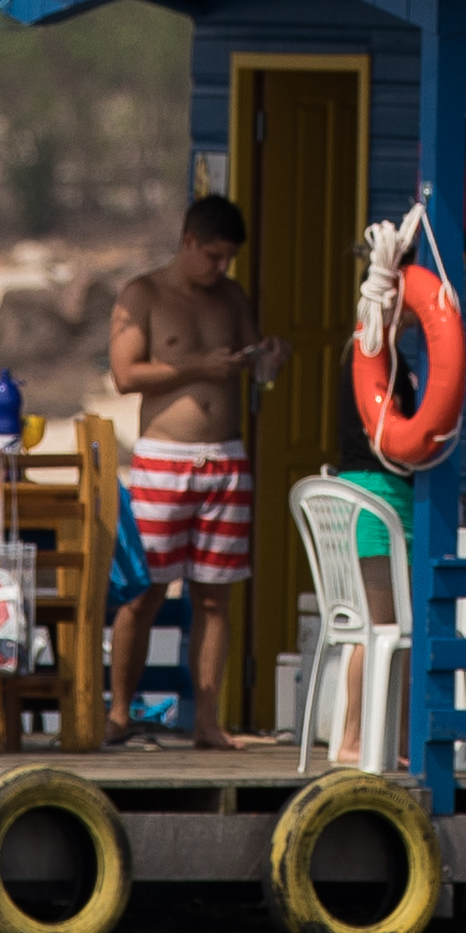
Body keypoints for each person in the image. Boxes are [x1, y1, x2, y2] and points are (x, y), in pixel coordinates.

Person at [102, 193, 283, 748]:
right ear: (188, 242)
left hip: (225, 460)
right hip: (163, 461)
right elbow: (125, 375)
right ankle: (119, 712)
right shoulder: (145, 294)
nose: (220, 268)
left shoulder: (231, 296)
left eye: (227, 258)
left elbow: (258, 366)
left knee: (213, 596)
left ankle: (207, 720)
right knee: (145, 593)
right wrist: (196, 366)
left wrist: (268, 358)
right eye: (213, 256)